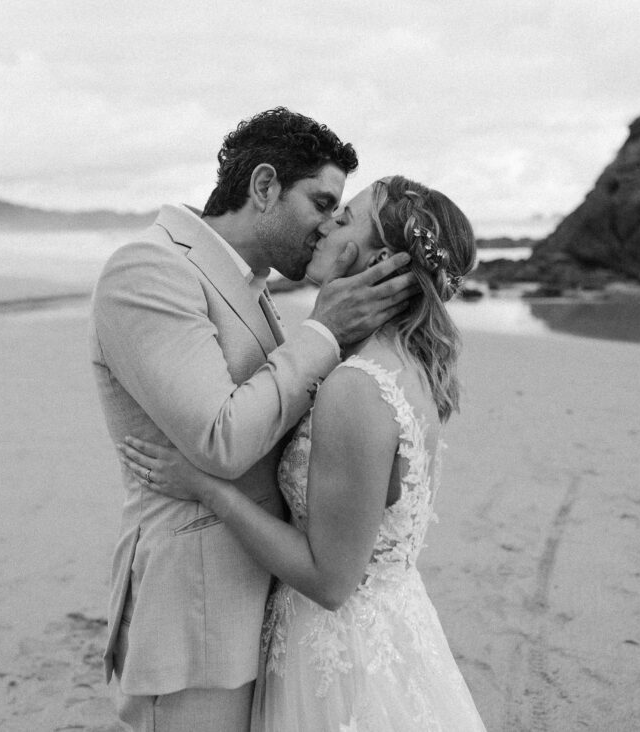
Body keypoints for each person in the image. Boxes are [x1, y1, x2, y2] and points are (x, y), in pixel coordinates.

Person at [119, 175, 488, 730]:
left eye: (346, 217)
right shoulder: (403, 366)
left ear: (379, 260)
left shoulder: (358, 387)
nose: (328, 222)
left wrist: (206, 489)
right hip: (383, 627)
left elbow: (330, 580)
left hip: (339, 659)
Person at [89, 109, 417, 731]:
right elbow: (223, 439)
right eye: (322, 203)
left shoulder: (249, 285)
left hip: (267, 608)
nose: (329, 226)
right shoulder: (149, 269)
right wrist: (323, 332)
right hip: (195, 621)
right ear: (264, 186)